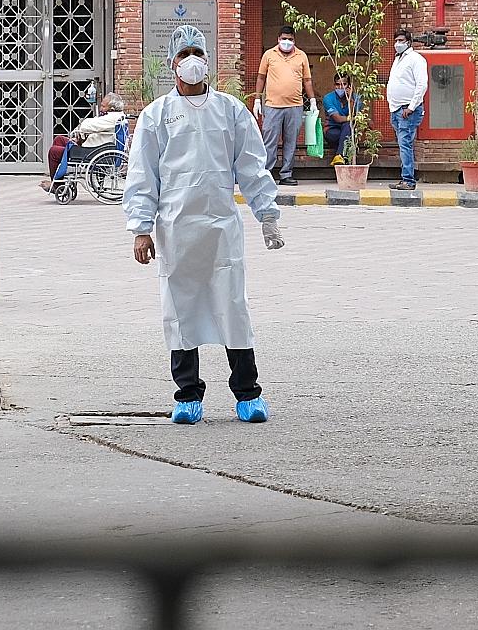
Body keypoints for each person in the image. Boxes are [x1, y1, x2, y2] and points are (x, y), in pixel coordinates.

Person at [124, 24, 285, 426]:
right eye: (184, 54)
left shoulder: (230, 110)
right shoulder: (156, 115)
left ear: (208, 61)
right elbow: (143, 175)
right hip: (176, 228)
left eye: (197, 51)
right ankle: (188, 395)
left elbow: (250, 165)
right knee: (180, 309)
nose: (191, 60)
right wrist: (141, 228)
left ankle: (247, 393)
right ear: (172, 64)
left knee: (232, 306)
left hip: (220, 228)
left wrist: (267, 215)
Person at [254, 24, 314, 186]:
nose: (286, 42)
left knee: (290, 141)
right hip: (273, 106)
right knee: (269, 141)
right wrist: (257, 99)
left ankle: (286, 174)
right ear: (278, 39)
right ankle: (266, 173)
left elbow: (307, 80)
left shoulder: (301, 56)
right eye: (284, 39)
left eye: (290, 39)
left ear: (294, 40)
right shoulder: (269, 55)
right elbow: (261, 77)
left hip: (295, 106)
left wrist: (313, 100)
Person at [41, 91, 128, 191]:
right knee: (59, 139)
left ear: (112, 108)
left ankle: (56, 185)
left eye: (103, 106)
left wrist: (81, 133)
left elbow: (86, 125)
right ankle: (58, 181)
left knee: (54, 152)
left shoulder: (112, 118)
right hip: (95, 145)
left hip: (92, 150)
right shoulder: (115, 117)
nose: (101, 108)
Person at [385, 28, 429, 191]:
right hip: (397, 109)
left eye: (401, 40)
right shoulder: (398, 59)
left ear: (409, 42)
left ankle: (408, 180)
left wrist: (411, 107)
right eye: (396, 41)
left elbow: (422, 85)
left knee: (405, 144)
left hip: (407, 110)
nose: (397, 44)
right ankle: (405, 177)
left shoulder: (416, 59)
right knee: (403, 144)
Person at [321, 73, 358, 163]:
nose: (340, 87)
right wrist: (353, 118)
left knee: (347, 126)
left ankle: (339, 156)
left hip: (349, 132)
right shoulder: (328, 98)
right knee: (346, 131)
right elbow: (337, 118)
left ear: (349, 86)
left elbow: (354, 114)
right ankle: (341, 155)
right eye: (338, 84)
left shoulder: (356, 98)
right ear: (334, 85)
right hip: (332, 131)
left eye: (344, 84)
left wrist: (351, 99)